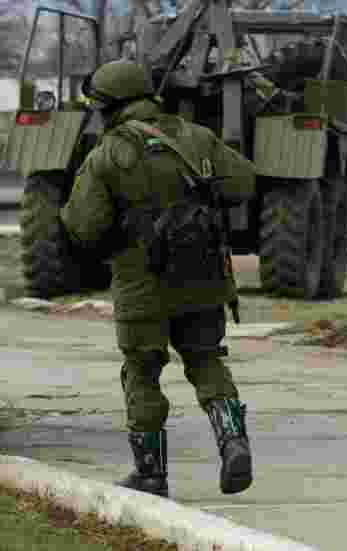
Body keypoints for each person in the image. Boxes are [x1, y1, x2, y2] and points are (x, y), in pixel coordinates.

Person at [58, 60, 257, 498]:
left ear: (109, 105)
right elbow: (242, 183)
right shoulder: (196, 135)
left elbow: (84, 227)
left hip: (140, 285)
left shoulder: (108, 153)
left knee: (142, 375)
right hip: (204, 277)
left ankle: (151, 473)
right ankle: (233, 441)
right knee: (206, 361)